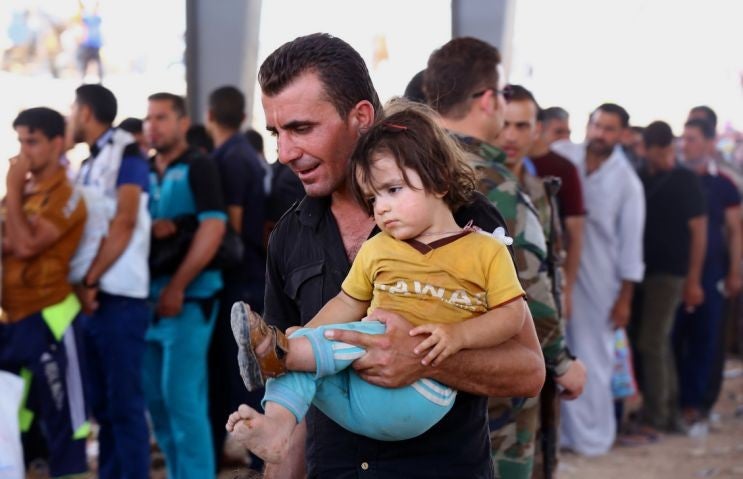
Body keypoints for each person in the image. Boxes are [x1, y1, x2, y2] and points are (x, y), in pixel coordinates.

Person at [228, 32, 544, 479]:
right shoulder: (288, 236)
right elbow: (294, 382)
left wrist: (425, 357)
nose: (284, 153)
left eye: (301, 128)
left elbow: (528, 370)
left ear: (360, 117)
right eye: (276, 133)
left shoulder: (462, 216)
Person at [424, 38, 575, 477]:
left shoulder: (406, 167)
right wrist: (563, 363)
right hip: (496, 381)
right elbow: (530, 288)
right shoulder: (497, 183)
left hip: (422, 376)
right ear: (489, 100)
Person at [494, 84, 587, 477]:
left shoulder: (537, 190)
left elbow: (550, 262)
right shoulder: (479, 188)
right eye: (505, 124)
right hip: (501, 350)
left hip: (540, 346)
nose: (511, 136)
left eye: (522, 125)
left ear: (538, 131)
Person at [552, 103, 645, 456]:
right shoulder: (564, 155)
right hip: (559, 271)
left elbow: (632, 248)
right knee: (558, 352)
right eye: (596, 126)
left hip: (603, 281)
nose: (600, 135)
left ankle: (593, 439)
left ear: (621, 135)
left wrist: (625, 298)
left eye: (609, 129)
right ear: (587, 126)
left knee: (595, 357)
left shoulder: (627, 182)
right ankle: (560, 435)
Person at [69, 84, 152, 479]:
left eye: (72, 109)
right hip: (92, 297)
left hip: (118, 297)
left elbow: (125, 220)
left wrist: (90, 278)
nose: (69, 117)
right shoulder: (86, 162)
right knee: (102, 409)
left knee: (125, 409)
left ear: (85, 112)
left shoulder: (127, 151)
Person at [1, 107, 88, 479]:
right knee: (12, 422)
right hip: (12, 322)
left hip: (51, 317)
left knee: (66, 423)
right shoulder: (22, 193)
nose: (24, 151)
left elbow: (24, 245)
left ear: (57, 143)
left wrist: (13, 189)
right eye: (20, 141)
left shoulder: (66, 194)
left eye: (32, 141)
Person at [143, 92, 227, 479]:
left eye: (161, 117)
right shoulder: (144, 169)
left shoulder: (199, 165)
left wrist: (178, 286)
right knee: (157, 404)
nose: (152, 126)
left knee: (183, 404)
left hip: (191, 300)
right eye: (148, 119)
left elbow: (214, 227)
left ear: (182, 122)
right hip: (148, 302)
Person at [204, 85, 266, 472]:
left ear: (209, 115)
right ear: (243, 117)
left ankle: (262, 458)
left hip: (238, 279)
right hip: (253, 274)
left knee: (241, 376)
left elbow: (236, 222)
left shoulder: (227, 159)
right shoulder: (249, 154)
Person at [634, 121, 707, 432]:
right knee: (656, 342)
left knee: (652, 342)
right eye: (658, 151)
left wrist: (693, 279)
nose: (665, 157)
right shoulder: (639, 178)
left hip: (671, 275)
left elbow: (700, 232)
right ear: (645, 149)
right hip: (642, 271)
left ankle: (659, 415)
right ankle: (667, 410)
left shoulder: (686, 181)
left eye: (668, 150)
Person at [674, 118, 741, 426]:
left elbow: (734, 230)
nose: (686, 145)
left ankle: (695, 402)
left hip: (711, 273)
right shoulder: (673, 178)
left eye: (693, 139)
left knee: (704, 338)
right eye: (683, 139)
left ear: (711, 143)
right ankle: (672, 400)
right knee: (672, 338)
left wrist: (736, 272)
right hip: (673, 273)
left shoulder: (724, 185)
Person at [529, 107, 585, 321]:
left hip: (547, 281)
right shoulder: (503, 167)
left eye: (567, 132)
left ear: (537, 127)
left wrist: (567, 290)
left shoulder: (564, 168)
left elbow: (576, 234)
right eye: (558, 132)